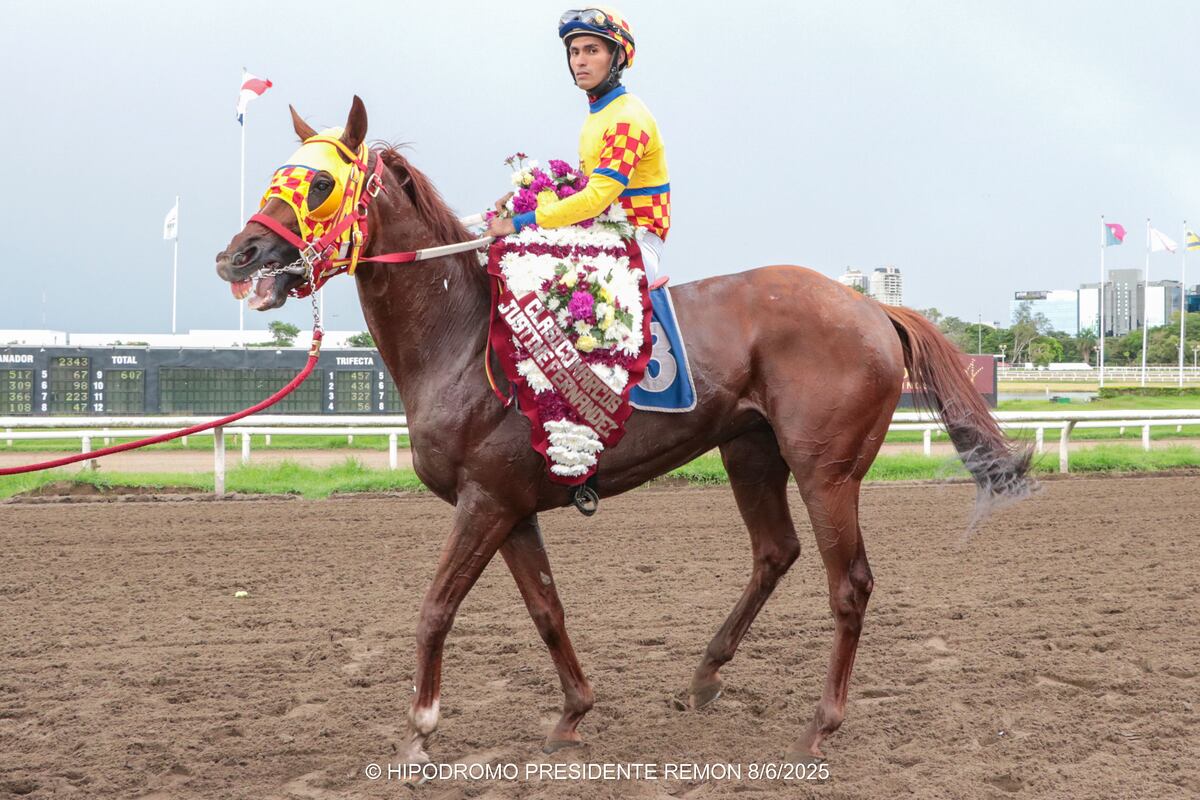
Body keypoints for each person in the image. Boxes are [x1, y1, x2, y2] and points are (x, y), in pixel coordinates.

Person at [486, 7, 670, 278]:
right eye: (574, 52)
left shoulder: (628, 118)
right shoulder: (601, 112)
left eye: (591, 50)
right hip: (601, 235)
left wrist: (518, 222)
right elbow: (584, 189)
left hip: (634, 245)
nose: (580, 61)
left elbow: (595, 200)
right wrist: (526, 201)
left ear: (617, 57)